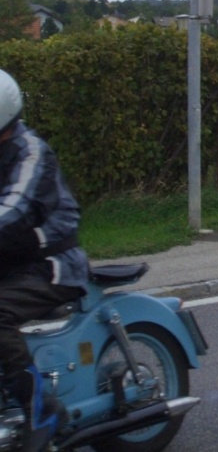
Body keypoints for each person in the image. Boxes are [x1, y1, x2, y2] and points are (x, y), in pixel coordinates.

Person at [0, 69, 88, 452]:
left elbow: (15, 210)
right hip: (14, 261)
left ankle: (41, 409)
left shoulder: (30, 151)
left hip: (52, 264)